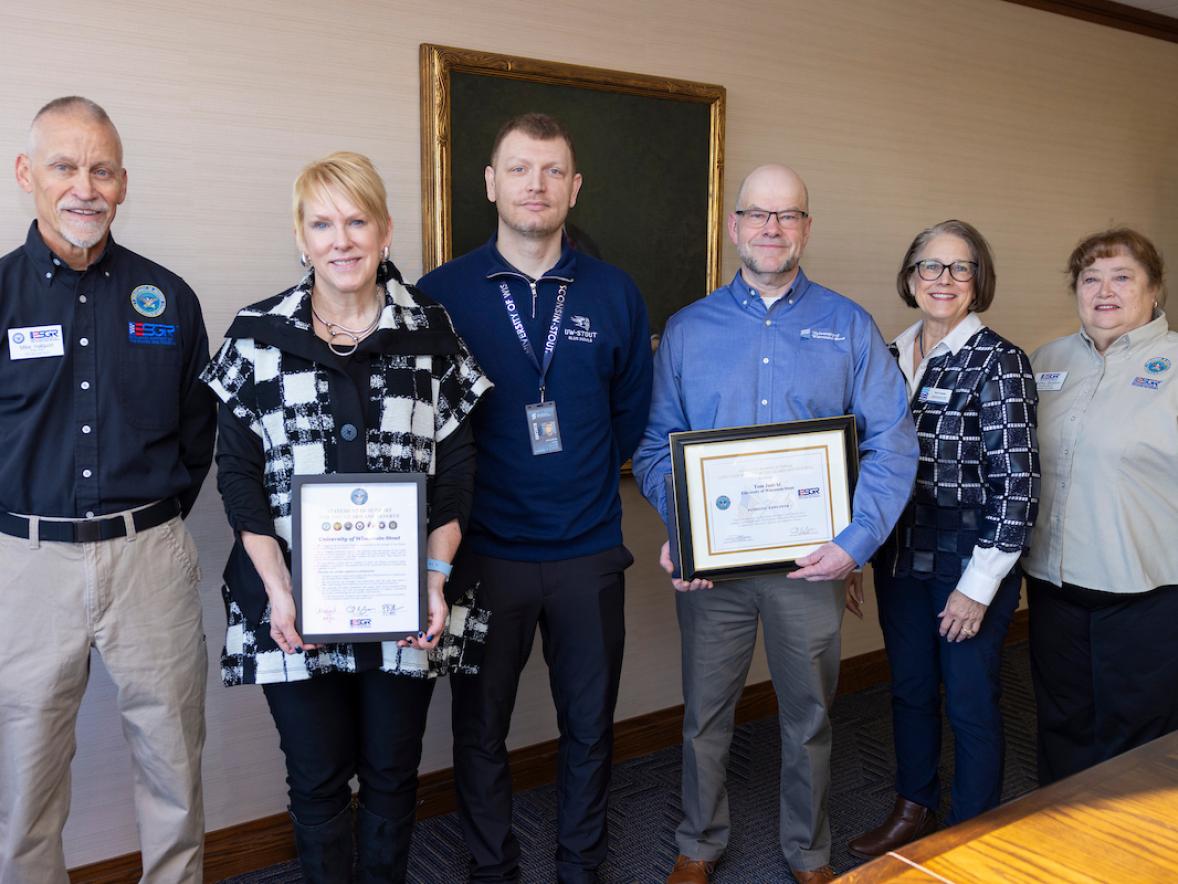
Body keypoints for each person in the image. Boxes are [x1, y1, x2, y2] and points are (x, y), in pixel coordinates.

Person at [200, 151, 491, 883]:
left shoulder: (431, 332)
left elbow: (455, 472)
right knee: (318, 779)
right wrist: (277, 588)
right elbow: (236, 476)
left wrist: (433, 577)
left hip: (404, 600)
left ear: (385, 231)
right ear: (301, 237)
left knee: (394, 775)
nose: (342, 239)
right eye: (323, 223)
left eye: (358, 220)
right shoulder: (256, 334)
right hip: (290, 602)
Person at [632, 164, 918, 884]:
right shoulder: (690, 330)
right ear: (734, 226)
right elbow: (654, 445)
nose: (771, 228)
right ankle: (698, 843)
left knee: (810, 717)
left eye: (787, 216)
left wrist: (854, 545)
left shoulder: (849, 325)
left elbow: (894, 442)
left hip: (811, 568)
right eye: (758, 215)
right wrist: (684, 527)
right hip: (714, 571)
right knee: (704, 718)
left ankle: (809, 851)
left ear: (806, 228)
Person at [416, 112, 652, 884]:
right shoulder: (440, 295)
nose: (536, 186)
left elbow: (629, 415)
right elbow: (423, 426)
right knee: (479, 727)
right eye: (519, 169)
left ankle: (580, 863)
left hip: (588, 554)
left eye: (552, 171)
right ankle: (492, 865)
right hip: (482, 556)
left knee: (589, 727)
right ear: (490, 183)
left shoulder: (615, 293)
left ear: (574, 186)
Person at [0, 96, 215, 882]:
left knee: (173, 763)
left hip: (149, 555)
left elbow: (198, 434)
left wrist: (150, 525)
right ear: (28, 174)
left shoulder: (168, 299)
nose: (83, 186)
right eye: (65, 165)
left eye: (101, 169)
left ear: (123, 183)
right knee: (27, 779)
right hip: (26, 566)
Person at [847, 221, 1039, 858]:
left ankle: (973, 831)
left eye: (960, 268)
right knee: (907, 689)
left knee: (971, 699)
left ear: (978, 280)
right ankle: (914, 806)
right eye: (931, 266)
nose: (944, 280)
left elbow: (1018, 486)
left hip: (970, 559)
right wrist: (854, 550)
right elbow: (864, 461)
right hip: (900, 556)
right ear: (909, 277)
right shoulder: (887, 355)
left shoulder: (1000, 361)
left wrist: (978, 589)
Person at [1022, 228, 1178, 785]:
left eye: (1122, 277)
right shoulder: (1045, 361)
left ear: (1154, 289)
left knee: (1140, 740)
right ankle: (1063, 837)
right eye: (1091, 278)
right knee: (1062, 724)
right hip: (1053, 589)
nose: (1103, 291)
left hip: (1147, 598)